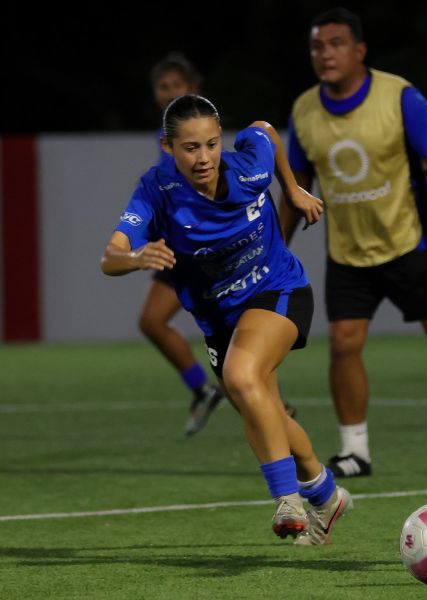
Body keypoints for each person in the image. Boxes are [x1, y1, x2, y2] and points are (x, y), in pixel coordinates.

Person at [101, 94, 350, 545]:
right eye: (190, 148)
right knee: (259, 406)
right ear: (167, 147)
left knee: (240, 375)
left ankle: (287, 500)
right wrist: (138, 255)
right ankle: (326, 492)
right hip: (219, 320)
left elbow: (265, 129)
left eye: (212, 144)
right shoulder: (156, 191)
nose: (203, 158)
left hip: (279, 289)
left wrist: (292, 189)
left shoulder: (250, 165)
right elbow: (110, 257)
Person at [280, 7, 427, 477]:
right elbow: (297, 187)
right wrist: (275, 251)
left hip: (411, 245)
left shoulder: (400, 97)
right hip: (348, 254)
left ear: (360, 51)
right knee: (342, 344)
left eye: (336, 43)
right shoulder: (304, 111)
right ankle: (355, 452)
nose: (325, 54)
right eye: (317, 46)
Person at [144, 53, 225, 435]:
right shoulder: (168, 143)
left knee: (233, 341)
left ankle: (272, 406)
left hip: (207, 250)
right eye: (163, 87)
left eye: (177, 85)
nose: (169, 93)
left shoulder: (202, 138)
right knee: (152, 322)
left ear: (193, 88)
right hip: (179, 249)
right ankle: (203, 389)